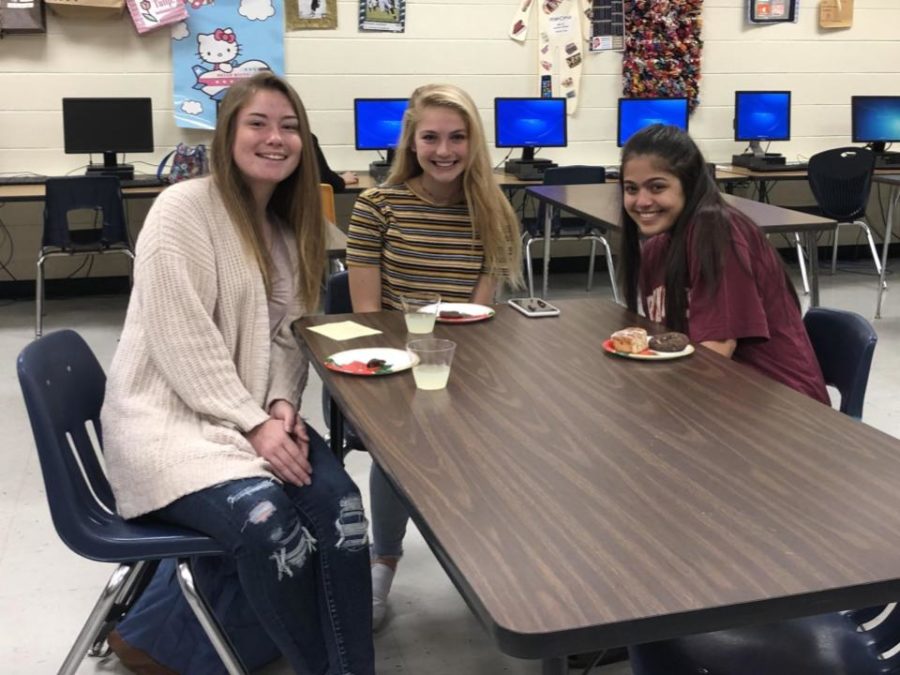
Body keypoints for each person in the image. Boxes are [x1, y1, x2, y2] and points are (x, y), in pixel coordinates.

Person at [100, 72, 374, 675]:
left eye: (290, 126)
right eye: (258, 123)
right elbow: (182, 340)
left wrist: (279, 404)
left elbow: (287, 340)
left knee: (344, 512)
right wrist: (254, 422)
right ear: (228, 136)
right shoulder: (181, 209)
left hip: (247, 419)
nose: (275, 138)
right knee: (270, 526)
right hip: (167, 425)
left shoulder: (286, 231)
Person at [345, 83, 523, 629]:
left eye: (457, 137)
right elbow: (369, 316)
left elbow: (480, 310)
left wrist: (456, 365)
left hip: (465, 355)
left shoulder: (491, 208)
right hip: (396, 353)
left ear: (474, 143)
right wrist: (410, 361)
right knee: (399, 450)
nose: (444, 150)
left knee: (498, 443)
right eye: (430, 138)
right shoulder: (378, 206)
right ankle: (383, 559)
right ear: (410, 142)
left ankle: (485, 560)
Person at [618, 124, 828, 404]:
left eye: (657, 186)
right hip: (723, 394)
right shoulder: (657, 249)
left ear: (688, 185)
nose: (641, 201)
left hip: (783, 406)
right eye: (631, 189)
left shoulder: (717, 233)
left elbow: (716, 351)